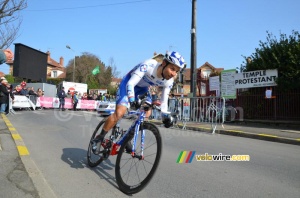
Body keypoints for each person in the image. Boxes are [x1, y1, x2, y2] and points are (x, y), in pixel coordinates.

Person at [91, 51, 185, 152]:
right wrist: (132, 100)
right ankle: (100, 137)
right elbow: (131, 83)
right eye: (172, 69)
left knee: (146, 113)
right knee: (119, 113)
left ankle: (127, 137)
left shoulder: (169, 81)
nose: (173, 74)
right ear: (164, 63)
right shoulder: (149, 65)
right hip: (128, 84)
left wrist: (165, 116)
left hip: (142, 89)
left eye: (176, 71)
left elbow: (164, 102)